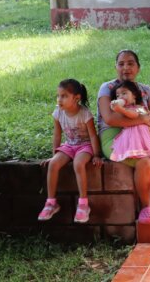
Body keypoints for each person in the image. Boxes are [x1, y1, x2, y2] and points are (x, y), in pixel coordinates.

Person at [97, 50, 150, 223]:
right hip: (115, 136)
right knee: (146, 162)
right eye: (121, 64)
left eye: (130, 63)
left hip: (144, 134)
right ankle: (146, 206)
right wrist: (142, 119)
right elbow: (110, 118)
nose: (126, 68)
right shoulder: (108, 88)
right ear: (115, 67)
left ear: (138, 68)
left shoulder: (146, 90)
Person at [38, 79, 102, 223]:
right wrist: (54, 155)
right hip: (69, 145)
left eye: (64, 96)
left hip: (85, 146)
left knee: (78, 164)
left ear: (77, 98)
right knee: (53, 164)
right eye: (58, 95)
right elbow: (57, 134)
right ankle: (51, 202)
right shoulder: (58, 112)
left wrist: (97, 155)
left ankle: (83, 204)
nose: (59, 99)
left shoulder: (85, 114)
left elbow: (92, 135)